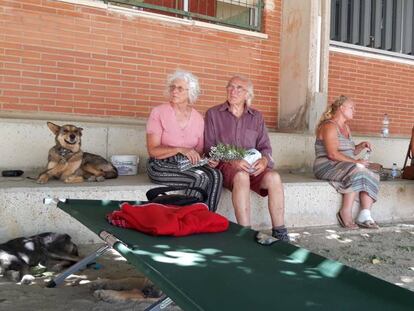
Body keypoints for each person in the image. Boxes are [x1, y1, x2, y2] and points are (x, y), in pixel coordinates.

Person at [204, 75, 288, 242]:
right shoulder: (213, 114)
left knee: (274, 177)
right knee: (241, 176)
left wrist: (264, 161)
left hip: (252, 166)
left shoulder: (256, 117)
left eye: (238, 88)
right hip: (226, 167)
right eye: (230, 86)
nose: (232, 91)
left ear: (247, 94)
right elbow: (209, 147)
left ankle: (280, 231)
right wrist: (233, 159)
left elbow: (265, 147)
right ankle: (246, 233)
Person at [146, 70, 222, 212]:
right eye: (172, 87)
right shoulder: (158, 112)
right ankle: (184, 218)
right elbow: (153, 151)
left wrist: (208, 160)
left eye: (180, 88)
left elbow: (198, 152)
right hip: (161, 164)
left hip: (186, 164)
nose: (174, 91)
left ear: (190, 92)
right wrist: (179, 149)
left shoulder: (198, 118)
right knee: (200, 178)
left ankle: (206, 218)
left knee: (216, 174)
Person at [314, 95, 380, 229]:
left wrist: (359, 147)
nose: (354, 111)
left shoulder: (346, 128)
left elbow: (348, 152)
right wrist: (356, 161)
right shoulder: (329, 126)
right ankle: (345, 212)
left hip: (344, 164)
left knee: (372, 172)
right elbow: (332, 154)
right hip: (327, 166)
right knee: (357, 169)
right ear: (341, 108)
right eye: (352, 108)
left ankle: (365, 214)